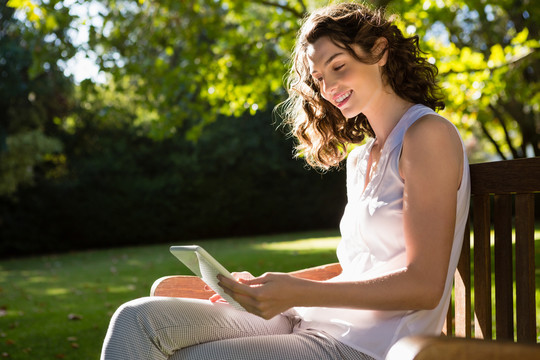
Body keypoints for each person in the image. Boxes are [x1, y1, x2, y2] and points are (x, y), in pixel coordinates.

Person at [100, 2, 470, 360]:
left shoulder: (427, 136)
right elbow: (360, 267)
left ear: (380, 51)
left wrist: (298, 292)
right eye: (320, 78)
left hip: (372, 346)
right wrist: (269, 286)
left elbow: (425, 285)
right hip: (314, 321)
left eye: (339, 66)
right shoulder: (362, 158)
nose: (329, 88)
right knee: (137, 320)